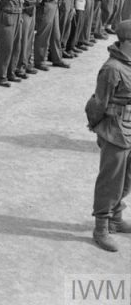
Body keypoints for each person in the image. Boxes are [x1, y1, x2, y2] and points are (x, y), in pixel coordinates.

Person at [85, 19, 131, 253]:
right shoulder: (112, 68)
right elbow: (99, 102)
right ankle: (101, 227)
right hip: (114, 130)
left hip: (129, 128)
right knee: (110, 180)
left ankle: (116, 216)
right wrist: (96, 126)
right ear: (126, 41)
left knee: (127, 178)